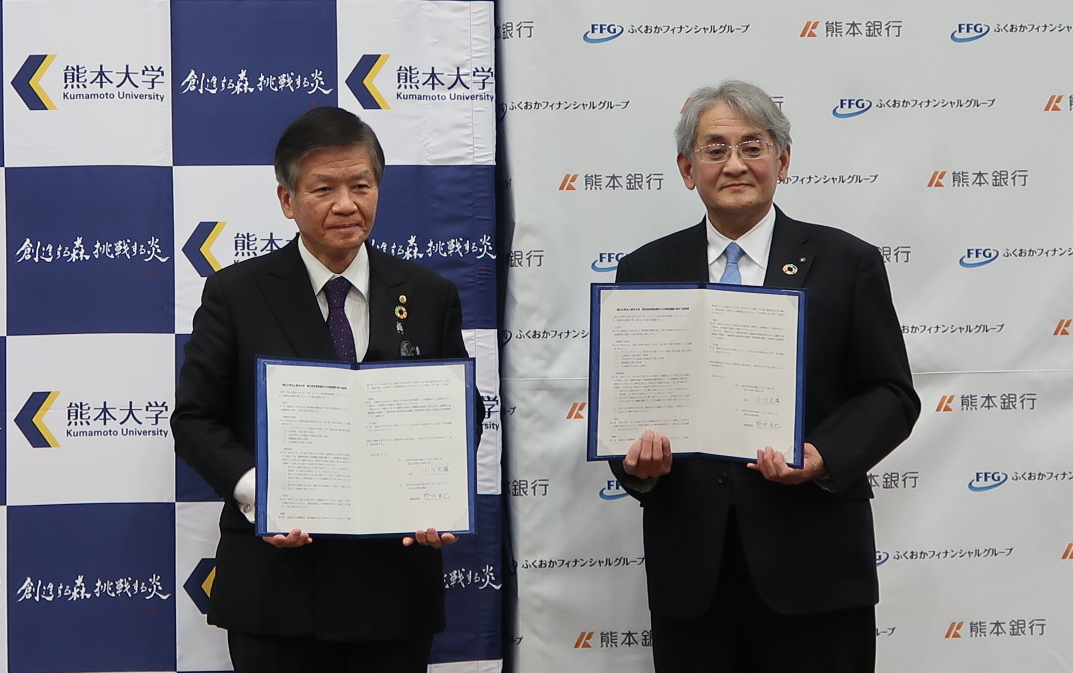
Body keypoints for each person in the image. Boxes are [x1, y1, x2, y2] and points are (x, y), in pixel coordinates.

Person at [610, 81, 920, 672]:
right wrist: (636, 468)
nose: (735, 164)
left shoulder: (848, 262)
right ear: (687, 168)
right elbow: (627, 404)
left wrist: (824, 456)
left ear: (783, 160)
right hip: (693, 578)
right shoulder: (645, 269)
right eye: (715, 149)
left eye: (753, 147)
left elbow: (891, 394)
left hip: (816, 567)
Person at [173, 106, 481, 673]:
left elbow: (461, 410)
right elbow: (194, 419)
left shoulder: (428, 292)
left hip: (394, 588)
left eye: (361, 185)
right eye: (324, 188)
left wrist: (436, 495)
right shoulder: (236, 293)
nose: (346, 204)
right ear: (287, 200)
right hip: (278, 590)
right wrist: (261, 493)